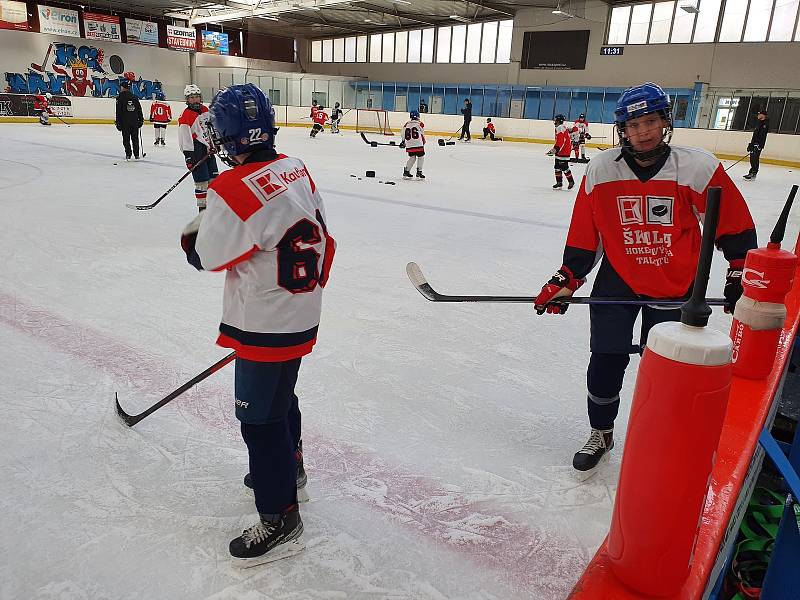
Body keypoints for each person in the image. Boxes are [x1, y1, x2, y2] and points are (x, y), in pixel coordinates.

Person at [532, 82, 757, 477]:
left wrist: (739, 271)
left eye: (650, 121)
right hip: (618, 281)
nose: (642, 132)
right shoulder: (602, 169)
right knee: (605, 362)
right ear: (622, 128)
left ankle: (661, 438)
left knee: (668, 369)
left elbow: (734, 225)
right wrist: (567, 277)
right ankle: (601, 433)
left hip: (676, 284)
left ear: (665, 122)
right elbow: (587, 234)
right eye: (633, 124)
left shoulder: (697, 166)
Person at [180, 83, 335, 566]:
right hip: (301, 310)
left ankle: (279, 515)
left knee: (258, 420)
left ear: (225, 137)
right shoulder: (295, 166)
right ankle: (291, 471)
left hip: (265, 321)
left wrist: (195, 230)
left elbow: (208, 256)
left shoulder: (228, 189)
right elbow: (323, 235)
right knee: (281, 399)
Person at [178, 84, 219, 211]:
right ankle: (203, 213)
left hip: (209, 152)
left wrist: (215, 143)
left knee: (214, 182)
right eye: (191, 97)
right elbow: (185, 137)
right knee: (202, 184)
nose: (195, 99)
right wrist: (189, 157)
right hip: (196, 153)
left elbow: (212, 128)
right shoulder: (186, 115)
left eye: (196, 97)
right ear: (187, 99)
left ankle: (213, 210)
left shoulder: (205, 110)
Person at [115, 80, 143, 161]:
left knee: (126, 139)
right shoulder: (134, 97)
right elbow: (139, 109)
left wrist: (118, 123)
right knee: (135, 138)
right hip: (134, 121)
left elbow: (118, 111)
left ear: (123, 87)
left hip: (125, 122)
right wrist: (141, 120)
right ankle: (136, 154)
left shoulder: (120, 98)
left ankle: (128, 154)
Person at [548, 114, 574, 189]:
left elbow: (561, 140)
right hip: (560, 150)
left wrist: (555, 149)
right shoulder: (559, 127)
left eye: (556, 120)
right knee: (557, 166)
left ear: (559, 120)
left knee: (564, 167)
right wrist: (556, 149)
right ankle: (559, 182)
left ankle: (571, 181)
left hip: (564, 151)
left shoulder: (560, 127)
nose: (555, 121)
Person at [744, 110, 769, 181]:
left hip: (758, 144)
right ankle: (751, 172)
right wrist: (751, 144)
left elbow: (762, 136)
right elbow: (755, 135)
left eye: (759, 114)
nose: (758, 115)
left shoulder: (765, 124)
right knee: (752, 158)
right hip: (754, 143)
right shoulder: (759, 123)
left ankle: (754, 173)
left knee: (755, 158)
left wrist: (758, 144)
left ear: (763, 115)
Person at [401, 109, 426, 180]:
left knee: (412, 157)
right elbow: (422, 134)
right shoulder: (420, 123)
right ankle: (419, 172)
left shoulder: (406, 124)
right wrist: (423, 142)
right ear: (418, 116)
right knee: (421, 156)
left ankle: (406, 171)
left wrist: (403, 142)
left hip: (409, 144)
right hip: (418, 143)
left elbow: (403, 133)